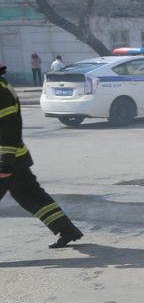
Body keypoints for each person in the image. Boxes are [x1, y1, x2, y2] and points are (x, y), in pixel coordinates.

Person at [0, 64, 83, 248]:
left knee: (31, 196)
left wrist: (5, 163)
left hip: (6, 160)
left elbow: (9, 127)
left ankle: (66, 229)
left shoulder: (0, 90)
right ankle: (67, 229)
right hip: (15, 159)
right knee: (31, 196)